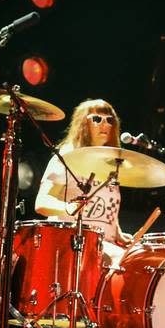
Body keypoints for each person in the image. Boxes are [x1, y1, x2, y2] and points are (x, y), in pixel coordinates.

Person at [35, 99, 133, 265]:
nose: (105, 125)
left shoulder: (112, 163)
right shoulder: (66, 157)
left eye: (109, 120)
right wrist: (67, 207)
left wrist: (117, 233)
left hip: (104, 245)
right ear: (83, 124)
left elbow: (106, 208)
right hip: (73, 243)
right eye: (97, 119)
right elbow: (42, 202)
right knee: (120, 263)